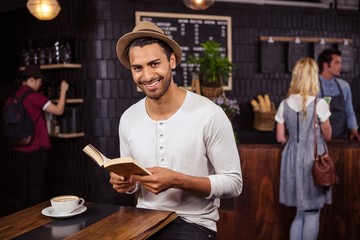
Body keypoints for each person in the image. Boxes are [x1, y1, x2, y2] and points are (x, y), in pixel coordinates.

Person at [109, 21, 243, 239]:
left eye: (154, 64)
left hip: (194, 223)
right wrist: (127, 184)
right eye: (138, 68)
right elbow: (134, 182)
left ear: (171, 61)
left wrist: (178, 180)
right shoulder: (128, 118)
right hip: (143, 220)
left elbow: (234, 184)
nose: (147, 75)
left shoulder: (210, 114)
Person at [275, 57, 332, 240]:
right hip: (312, 161)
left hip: (291, 160)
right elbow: (328, 135)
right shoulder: (320, 104)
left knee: (300, 212)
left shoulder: (284, 104)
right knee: (312, 211)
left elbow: (280, 137)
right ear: (313, 77)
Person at [5, 64, 69, 210]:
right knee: (36, 185)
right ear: (32, 80)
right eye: (39, 81)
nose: (40, 85)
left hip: (19, 146)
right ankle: (35, 219)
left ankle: (22, 219)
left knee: (23, 184)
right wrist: (63, 90)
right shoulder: (35, 97)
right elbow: (58, 110)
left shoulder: (11, 98)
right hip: (36, 147)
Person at [317, 48, 360, 140]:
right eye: (337, 63)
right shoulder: (314, 86)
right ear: (326, 65)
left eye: (340, 63)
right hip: (322, 139)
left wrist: (354, 129)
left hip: (343, 137)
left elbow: (350, 112)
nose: (341, 66)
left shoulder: (344, 86)